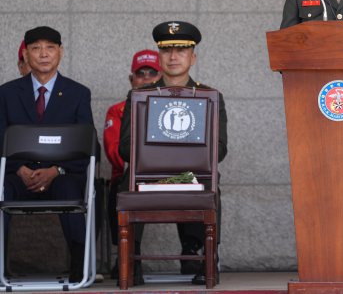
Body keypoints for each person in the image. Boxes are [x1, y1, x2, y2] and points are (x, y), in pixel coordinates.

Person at [118, 21, 228, 285]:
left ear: (193, 57)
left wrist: (181, 165)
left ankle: (207, 258)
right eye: (167, 51)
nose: (174, 56)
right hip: (148, 176)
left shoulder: (209, 96)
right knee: (126, 181)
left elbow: (220, 149)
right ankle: (129, 260)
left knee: (211, 183)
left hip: (192, 177)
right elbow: (124, 148)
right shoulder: (138, 96)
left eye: (181, 50)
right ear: (159, 56)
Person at [0, 26, 94, 282]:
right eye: (36, 48)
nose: (43, 54)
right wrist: (19, 169)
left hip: (61, 175)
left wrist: (56, 170)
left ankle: (79, 266)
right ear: (26, 55)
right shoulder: (7, 93)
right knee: (0, 191)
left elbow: (87, 145)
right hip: (18, 174)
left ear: (60, 52)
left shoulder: (78, 93)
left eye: (50, 47)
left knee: (69, 191)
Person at [103, 49, 162, 277]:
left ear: (161, 76)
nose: (146, 79)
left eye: (152, 73)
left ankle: (193, 254)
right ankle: (129, 255)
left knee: (194, 181)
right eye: (141, 73)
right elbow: (114, 151)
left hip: (168, 175)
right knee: (122, 185)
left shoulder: (173, 105)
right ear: (131, 80)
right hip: (131, 175)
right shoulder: (117, 110)